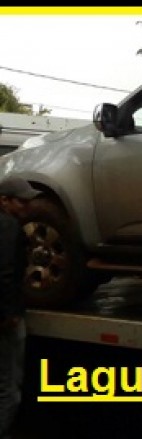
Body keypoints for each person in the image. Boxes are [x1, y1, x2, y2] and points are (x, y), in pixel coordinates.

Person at [0, 177, 40, 439]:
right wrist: (9, 314)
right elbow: (5, 272)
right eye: (21, 201)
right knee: (9, 389)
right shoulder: (8, 226)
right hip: (4, 319)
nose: (27, 207)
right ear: (4, 200)